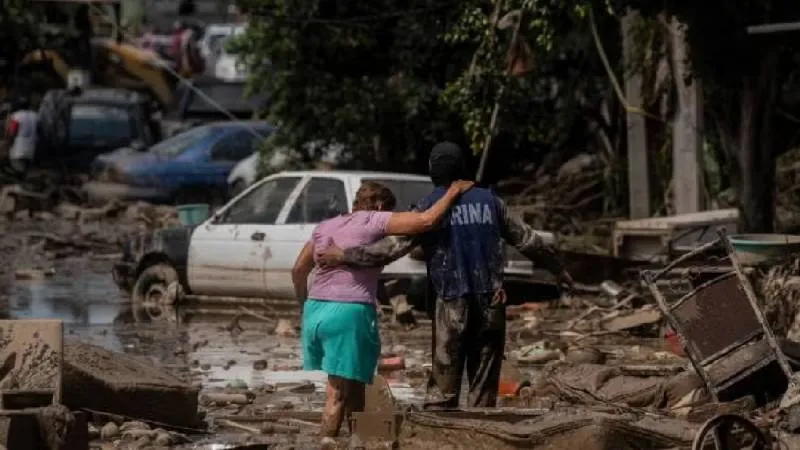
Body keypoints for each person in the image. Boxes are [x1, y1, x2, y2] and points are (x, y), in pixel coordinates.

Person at [316, 141, 574, 409]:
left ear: (433, 171)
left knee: (442, 389)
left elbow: (389, 249)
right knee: (483, 385)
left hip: (450, 303)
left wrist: (344, 255)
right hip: (491, 302)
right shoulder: (492, 202)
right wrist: (559, 270)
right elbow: (529, 240)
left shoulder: (429, 207)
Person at [291, 178, 474, 440]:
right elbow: (426, 221)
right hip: (349, 312)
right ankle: (326, 440)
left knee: (354, 383)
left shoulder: (325, 225)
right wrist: (453, 192)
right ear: (378, 205)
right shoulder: (374, 220)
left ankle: (358, 440)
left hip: (316, 311)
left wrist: (304, 306)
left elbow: (298, 270)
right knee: (337, 391)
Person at [6, 97, 38, 174]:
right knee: (28, 172)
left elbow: (12, 133)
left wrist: (8, 145)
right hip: (32, 150)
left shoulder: (16, 116)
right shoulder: (35, 116)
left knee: (19, 173)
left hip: (18, 150)